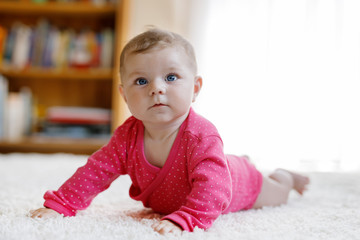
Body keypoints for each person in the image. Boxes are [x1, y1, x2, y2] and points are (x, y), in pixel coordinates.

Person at [30, 28, 310, 235]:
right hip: (213, 172)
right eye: (141, 80)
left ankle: (283, 175)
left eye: (171, 77)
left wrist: (187, 218)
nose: (157, 88)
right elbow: (95, 171)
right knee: (222, 162)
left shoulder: (200, 135)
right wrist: (62, 204)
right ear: (124, 95)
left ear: (195, 88)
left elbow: (214, 189)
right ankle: (242, 159)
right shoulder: (126, 138)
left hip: (239, 184)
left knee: (278, 193)